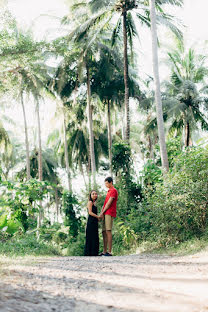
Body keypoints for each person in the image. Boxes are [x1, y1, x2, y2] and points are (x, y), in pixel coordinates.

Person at [99, 177, 118, 256]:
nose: (106, 185)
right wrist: (101, 213)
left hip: (109, 213)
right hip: (105, 213)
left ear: (111, 182)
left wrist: (102, 213)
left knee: (108, 231)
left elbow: (109, 203)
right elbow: (105, 203)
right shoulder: (108, 191)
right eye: (105, 183)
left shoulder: (113, 190)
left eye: (107, 183)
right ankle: (104, 251)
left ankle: (109, 251)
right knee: (103, 232)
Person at [84, 190, 100, 256]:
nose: (95, 195)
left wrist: (97, 218)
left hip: (95, 221)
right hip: (91, 221)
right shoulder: (90, 202)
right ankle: (89, 253)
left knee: (95, 236)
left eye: (96, 194)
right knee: (91, 236)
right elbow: (90, 212)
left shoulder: (95, 203)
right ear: (90, 195)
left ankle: (94, 252)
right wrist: (98, 217)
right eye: (93, 194)